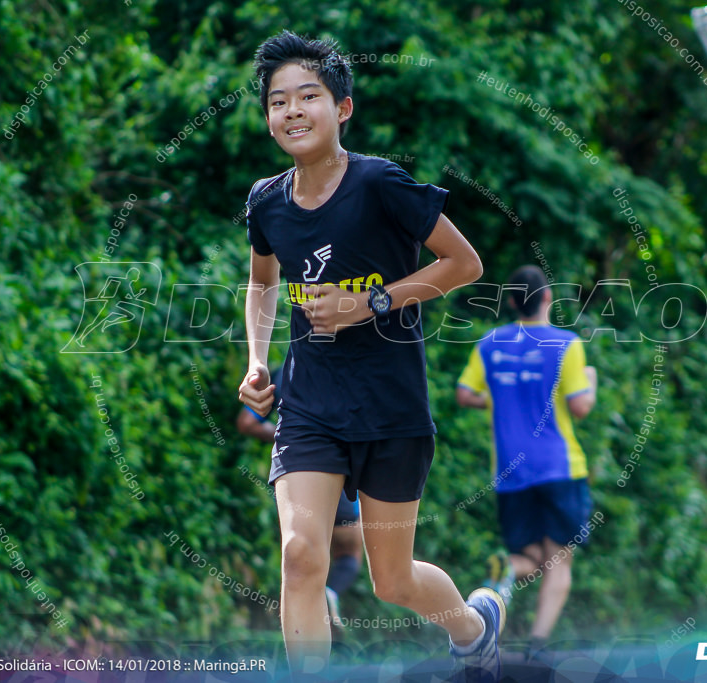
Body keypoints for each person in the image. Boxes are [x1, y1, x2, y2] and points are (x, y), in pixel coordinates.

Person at [236, 30, 506, 681]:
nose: (292, 111)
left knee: (393, 581)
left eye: (309, 96)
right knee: (302, 553)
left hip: (391, 405)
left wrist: (370, 304)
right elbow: (261, 283)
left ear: (343, 108)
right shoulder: (267, 202)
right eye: (278, 101)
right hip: (311, 405)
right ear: (269, 117)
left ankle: (474, 626)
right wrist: (255, 359)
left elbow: (464, 263)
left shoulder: (381, 183)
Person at [456, 265, 598, 658]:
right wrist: (591, 379)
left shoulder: (489, 343)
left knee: (530, 558)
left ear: (514, 302)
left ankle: (501, 575)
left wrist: (497, 400)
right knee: (557, 559)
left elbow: (465, 393)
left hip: (510, 472)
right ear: (548, 298)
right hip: (559, 467)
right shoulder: (566, 345)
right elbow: (580, 405)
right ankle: (537, 644)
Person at [236, 364, 363, 628]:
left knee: (298, 554)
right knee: (348, 551)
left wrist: (289, 435)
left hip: (291, 475)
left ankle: (300, 627)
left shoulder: (283, 373)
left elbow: (247, 422)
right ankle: (329, 594)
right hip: (338, 471)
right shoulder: (356, 367)